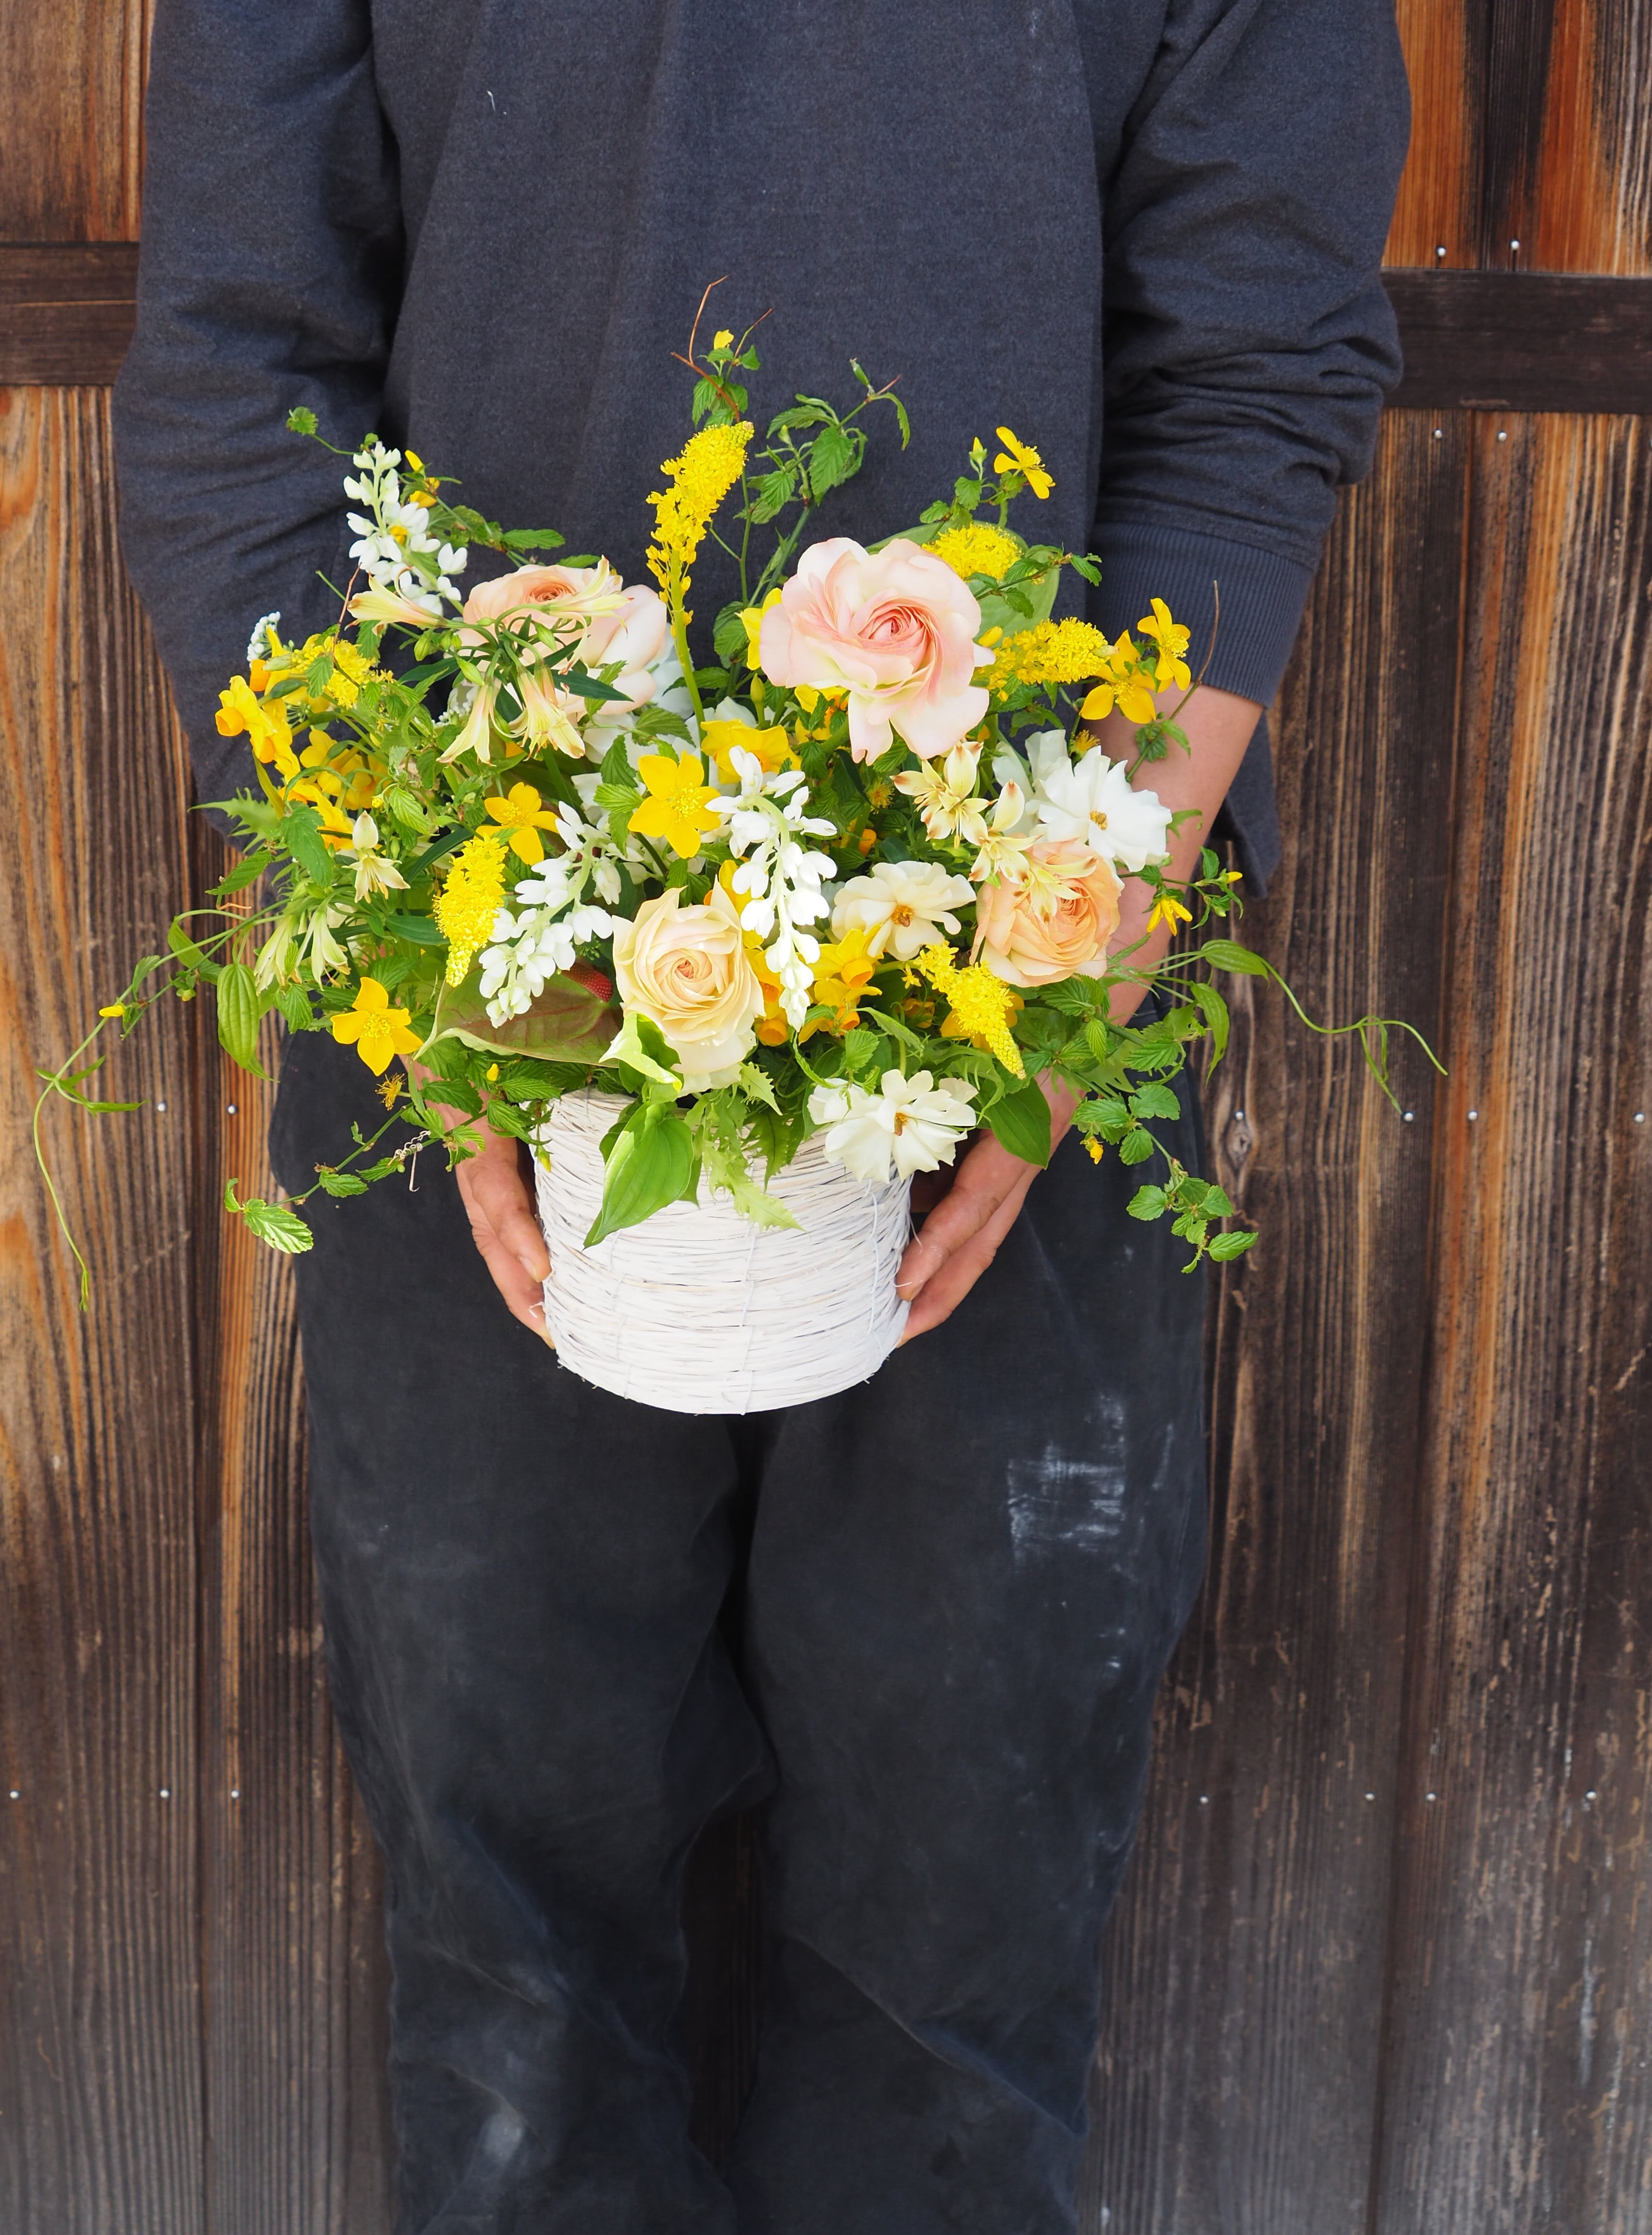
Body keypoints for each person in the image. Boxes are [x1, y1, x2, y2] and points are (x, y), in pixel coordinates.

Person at [113, 4, 1408, 2228]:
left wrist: (1066, 968)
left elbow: (1256, 368)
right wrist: (438, 967)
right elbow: (239, 367)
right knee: (515, 1990)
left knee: (957, 1981)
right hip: (488, 998)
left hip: (1019, 1000)